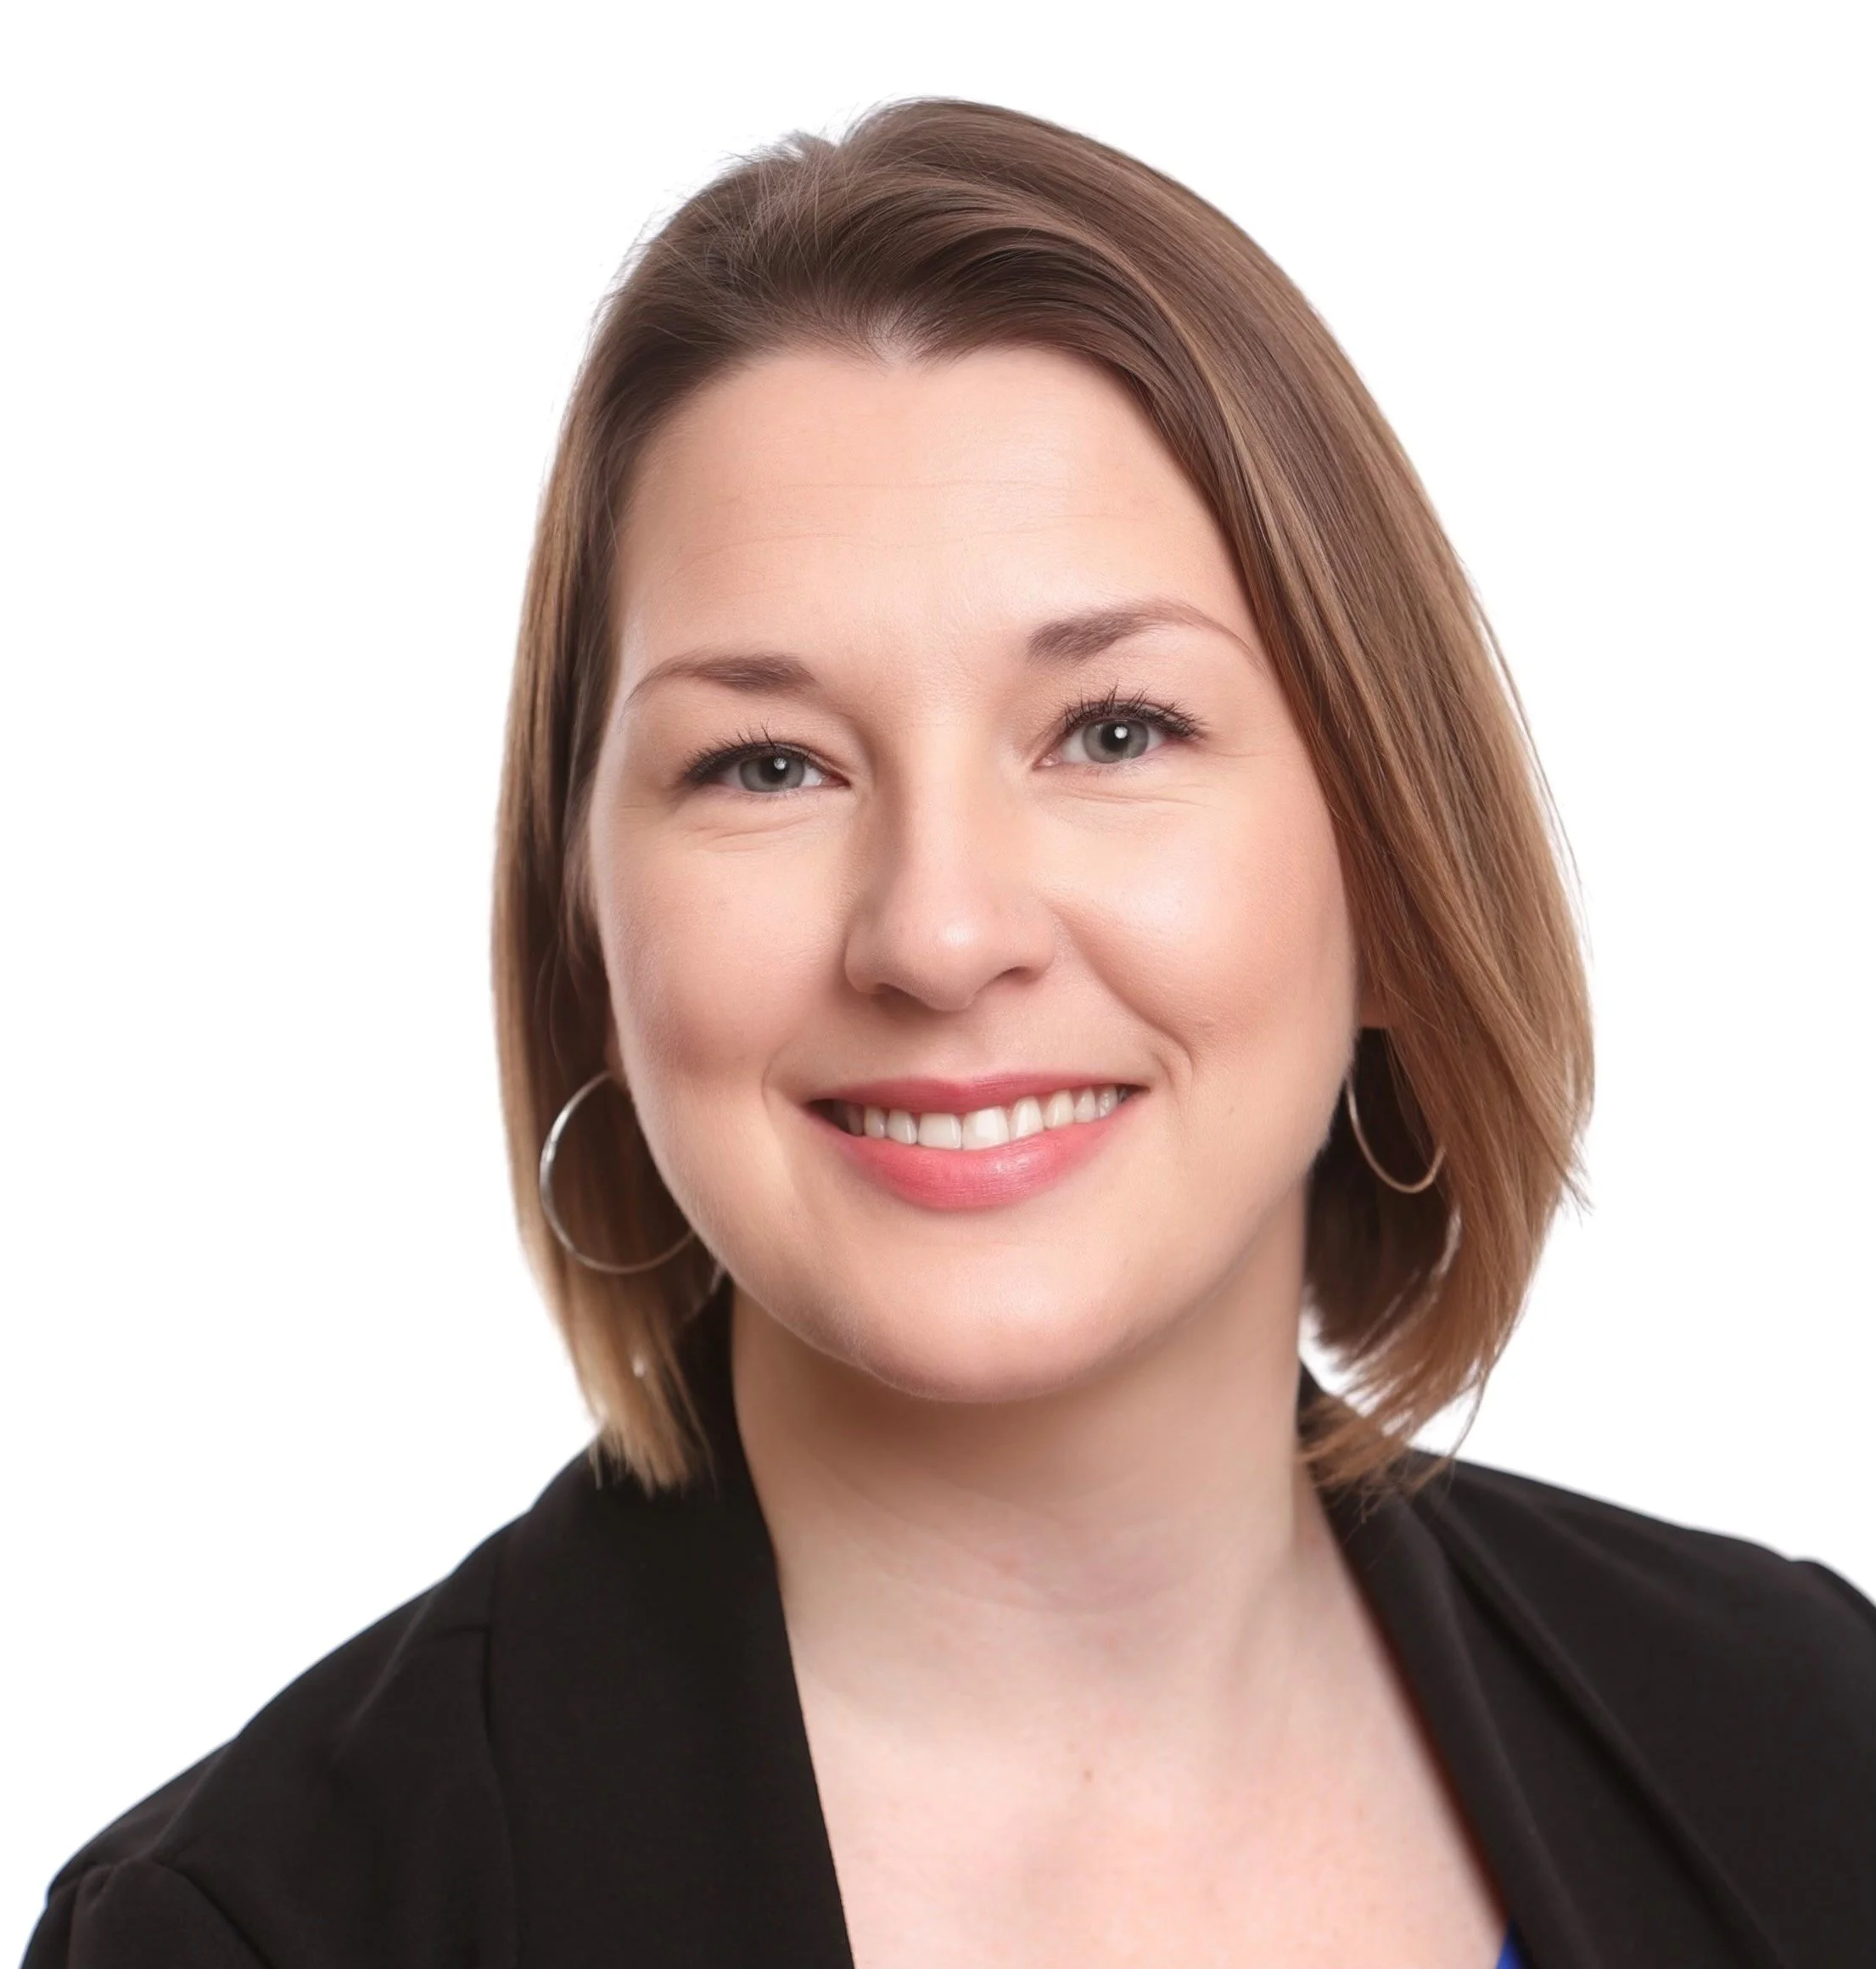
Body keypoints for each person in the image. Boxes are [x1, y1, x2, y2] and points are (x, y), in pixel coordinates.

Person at [25, 98, 1873, 1969]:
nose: (938, 928)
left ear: (1389, 868)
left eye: (1115, 729)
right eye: (767, 761)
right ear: (584, 929)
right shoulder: (250, 1930)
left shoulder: (1814, 1738)